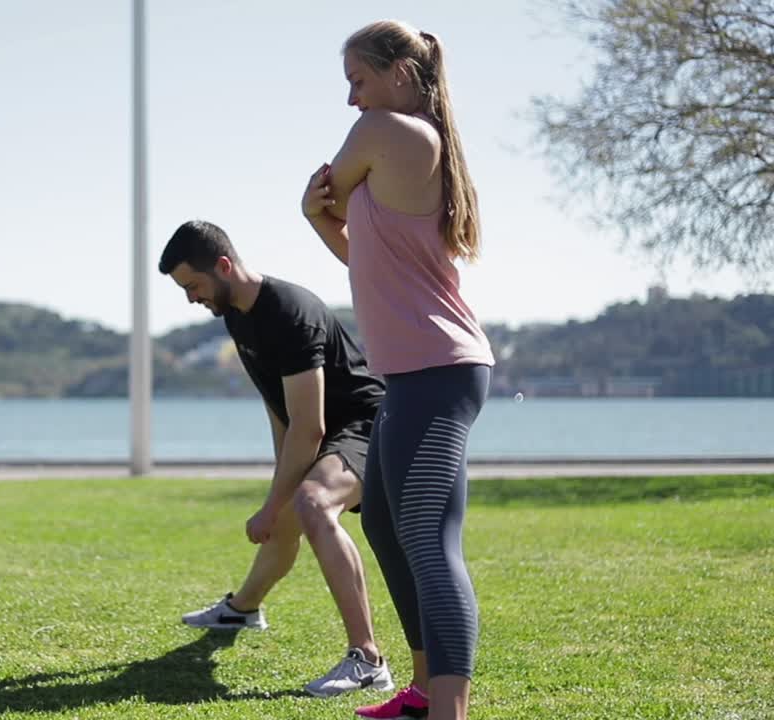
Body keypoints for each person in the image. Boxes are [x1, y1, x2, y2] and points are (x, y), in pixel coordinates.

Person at [301, 20, 495, 720]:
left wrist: (314, 202)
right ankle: (421, 691)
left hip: (437, 368)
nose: (353, 100)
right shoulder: (403, 145)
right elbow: (363, 260)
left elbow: (330, 182)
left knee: (427, 536)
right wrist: (315, 217)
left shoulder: (391, 133)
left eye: (358, 80)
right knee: (382, 521)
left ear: (400, 76)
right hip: (416, 371)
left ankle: (448, 710)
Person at [160, 219, 393, 698]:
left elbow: (310, 426)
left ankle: (367, 659)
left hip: (370, 427)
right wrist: (277, 491)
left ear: (224, 266)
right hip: (325, 430)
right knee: (289, 506)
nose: (191, 298)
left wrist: (273, 503)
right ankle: (244, 608)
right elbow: (280, 409)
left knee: (309, 504)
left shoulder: (289, 312)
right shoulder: (236, 315)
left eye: (194, 285)